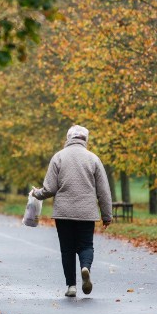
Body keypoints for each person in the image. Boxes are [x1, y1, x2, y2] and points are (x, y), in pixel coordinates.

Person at [31, 125, 112, 297]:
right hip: (87, 212)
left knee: (67, 249)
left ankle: (71, 287)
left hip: (64, 212)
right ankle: (85, 267)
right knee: (86, 245)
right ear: (85, 140)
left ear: (68, 138)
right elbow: (103, 190)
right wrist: (107, 215)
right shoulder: (93, 159)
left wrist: (37, 194)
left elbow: (49, 188)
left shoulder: (58, 157)